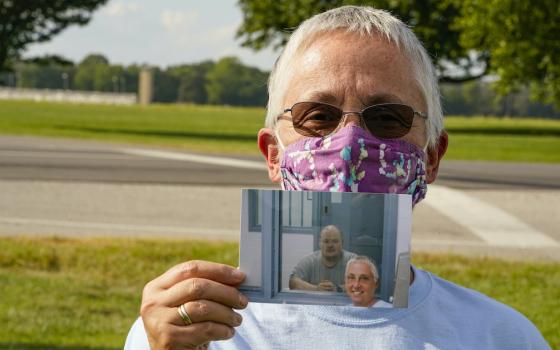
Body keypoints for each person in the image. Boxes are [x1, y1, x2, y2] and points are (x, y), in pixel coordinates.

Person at [125, 6, 550, 349]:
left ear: (432, 158)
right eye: (318, 117)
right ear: (273, 155)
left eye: (387, 118)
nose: (348, 146)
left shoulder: (502, 337)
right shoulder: (197, 327)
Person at [289, 225, 357, 292]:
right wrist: (316, 289)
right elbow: (293, 282)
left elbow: (364, 283)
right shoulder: (310, 261)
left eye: (335, 241)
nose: (330, 245)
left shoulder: (353, 260)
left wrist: (338, 289)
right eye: (326, 241)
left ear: (342, 243)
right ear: (319, 243)